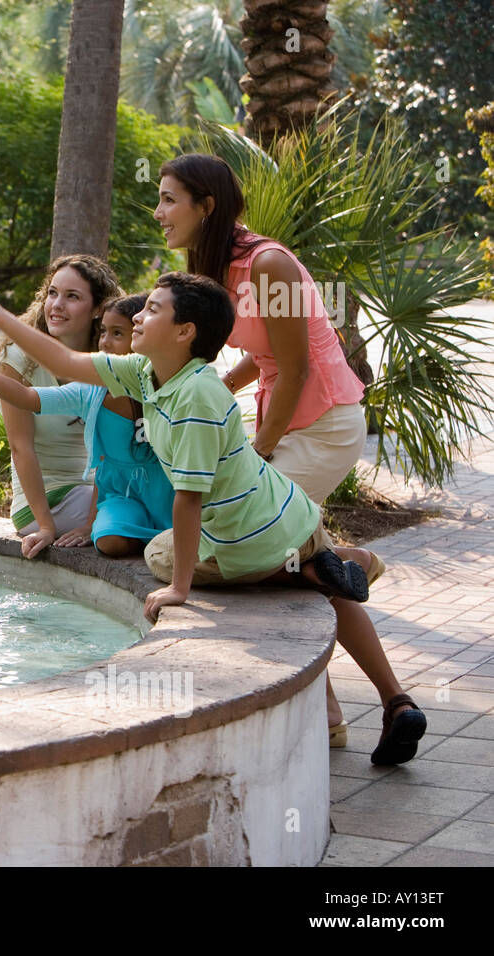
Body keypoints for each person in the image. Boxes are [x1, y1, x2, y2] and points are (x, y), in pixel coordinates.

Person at [0, 266, 427, 766]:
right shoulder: (146, 374)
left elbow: (188, 501)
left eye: (152, 309)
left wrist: (180, 590)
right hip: (293, 517)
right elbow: (60, 358)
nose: (138, 314)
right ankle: (395, 696)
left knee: (160, 554)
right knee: (327, 591)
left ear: (185, 332)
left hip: (245, 538)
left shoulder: (196, 398)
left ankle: (309, 568)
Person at [155, 153, 381, 746]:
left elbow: (300, 366)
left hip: (324, 425)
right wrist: (215, 388)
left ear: (206, 206)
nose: (159, 213)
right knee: (290, 566)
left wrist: (257, 453)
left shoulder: (269, 264)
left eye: (170, 199)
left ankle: (352, 570)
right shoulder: (217, 269)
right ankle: (365, 704)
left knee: (260, 548)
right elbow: (264, 355)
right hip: (289, 419)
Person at [0, 293, 173, 557]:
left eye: (117, 334)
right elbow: (26, 397)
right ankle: (152, 541)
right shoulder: (91, 392)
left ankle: (165, 538)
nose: (104, 342)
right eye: (103, 331)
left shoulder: (167, 385)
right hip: (122, 496)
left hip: (167, 489)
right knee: (108, 541)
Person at [0, 255, 121, 560]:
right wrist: (46, 527)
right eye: (52, 293)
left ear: (98, 309)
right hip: (43, 502)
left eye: (72, 296)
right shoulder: (19, 359)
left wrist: (91, 521)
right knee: (137, 512)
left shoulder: (106, 361)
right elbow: (20, 447)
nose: (56, 304)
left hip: (90, 493)